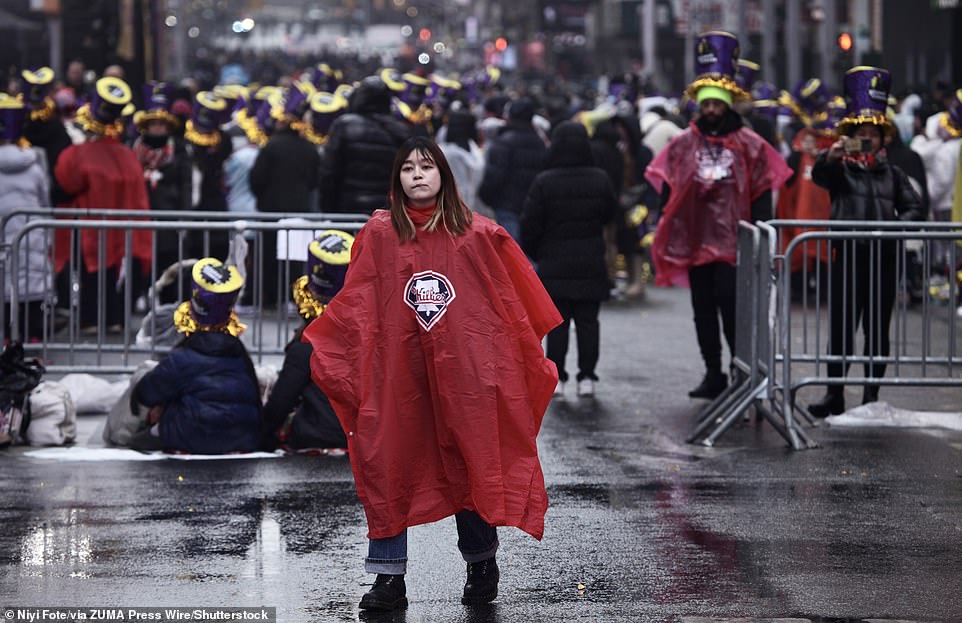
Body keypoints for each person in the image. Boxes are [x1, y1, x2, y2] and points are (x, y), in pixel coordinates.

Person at [303, 136, 561, 611]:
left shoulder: (479, 235)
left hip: (464, 379)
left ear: (443, 173)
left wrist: (502, 366)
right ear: (396, 179)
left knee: (467, 462)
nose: (417, 175)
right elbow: (359, 304)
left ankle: (481, 563)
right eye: (407, 168)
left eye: (426, 166)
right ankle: (387, 578)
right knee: (389, 463)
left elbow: (512, 307)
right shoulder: (379, 234)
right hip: (398, 378)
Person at [644, 31, 792, 399]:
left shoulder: (750, 144)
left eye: (716, 104)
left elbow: (762, 191)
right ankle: (713, 372)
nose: (710, 110)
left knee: (734, 312)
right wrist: (666, 221)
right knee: (703, 312)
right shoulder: (683, 143)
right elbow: (669, 189)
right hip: (696, 243)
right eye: (705, 104)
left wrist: (757, 233)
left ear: (727, 104)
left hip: (733, 246)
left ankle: (738, 370)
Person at [808, 67, 924, 416]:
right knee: (842, 330)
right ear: (851, 135)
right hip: (848, 258)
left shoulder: (895, 174)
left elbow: (915, 208)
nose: (868, 137)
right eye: (862, 132)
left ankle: (870, 397)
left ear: (884, 137)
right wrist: (831, 156)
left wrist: (892, 228)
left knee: (877, 332)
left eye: (874, 132)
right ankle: (834, 395)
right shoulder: (841, 171)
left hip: (884, 260)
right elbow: (819, 174)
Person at [521, 121, 617, 398]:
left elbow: (530, 223)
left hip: (554, 262)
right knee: (589, 322)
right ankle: (587, 376)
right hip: (591, 262)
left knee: (558, 324)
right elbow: (610, 214)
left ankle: (558, 376)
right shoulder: (600, 178)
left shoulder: (544, 181)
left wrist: (538, 252)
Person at [129, 258, 262, 453]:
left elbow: (146, 393)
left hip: (193, 434)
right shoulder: (239, 352)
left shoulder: (185, 355)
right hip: (245, 437)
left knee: (138, 440)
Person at [54, 77, 152, 333]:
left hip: (94, 231)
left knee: (94, 275)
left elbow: (66, 183)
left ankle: (91, 319)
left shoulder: (80, 154)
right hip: (122, 232)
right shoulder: (127, 156)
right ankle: (113, 318)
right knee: (114, 275)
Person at [261, 232, 352, 452]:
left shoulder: (305, 348)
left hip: (317, 437)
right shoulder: (370, 335)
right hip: (364, 438)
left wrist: (261, 438)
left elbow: (281, 402)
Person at [319, 75, 415, 214]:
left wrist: (329, 209)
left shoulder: (344, 125)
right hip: (387, 212)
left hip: (347, 209)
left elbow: (329, 172)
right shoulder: (401, 131)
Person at [0, 94, 50, 342]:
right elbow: (44, 201)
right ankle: (32, 345)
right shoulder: (33, 164)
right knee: (31, 295)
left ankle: (6, 342)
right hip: (32, 236)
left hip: (4, 240)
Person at [133, 82, 192, 273]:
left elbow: (186, 185)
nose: (157, 128)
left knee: (168, 272)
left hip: (169, 221)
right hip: (140, 220)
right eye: (153, 124)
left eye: (161, 124)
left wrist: (185, 218)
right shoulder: (133, 149)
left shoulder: (179, 150)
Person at [478, 97, 547, 242]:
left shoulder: (503, 142)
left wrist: (486, 197)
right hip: (533, 207)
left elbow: (494, 175)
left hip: (507, 206)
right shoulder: (540, 143)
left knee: (511, 252)